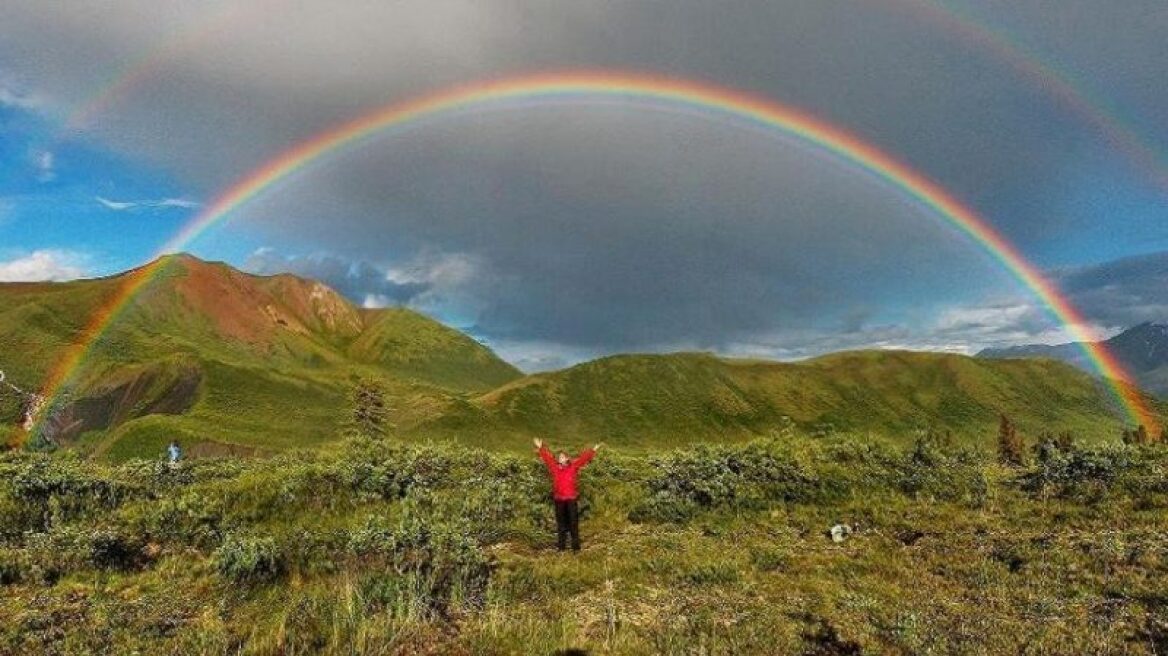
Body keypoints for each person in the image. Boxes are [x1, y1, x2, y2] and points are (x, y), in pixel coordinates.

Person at [534, 437, 602, 552]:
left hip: (571, 499)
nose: (559, 458)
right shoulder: (554, 467)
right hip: (559, 499)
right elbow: (547, 458)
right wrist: (540, 447)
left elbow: (583, 459)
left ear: (566, 458)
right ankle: (561, 548)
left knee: (573, 523)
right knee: (561, 525)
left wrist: (593, 450)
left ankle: (576, 548)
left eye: (562, 457)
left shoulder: (573, 467)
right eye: (559, 457)